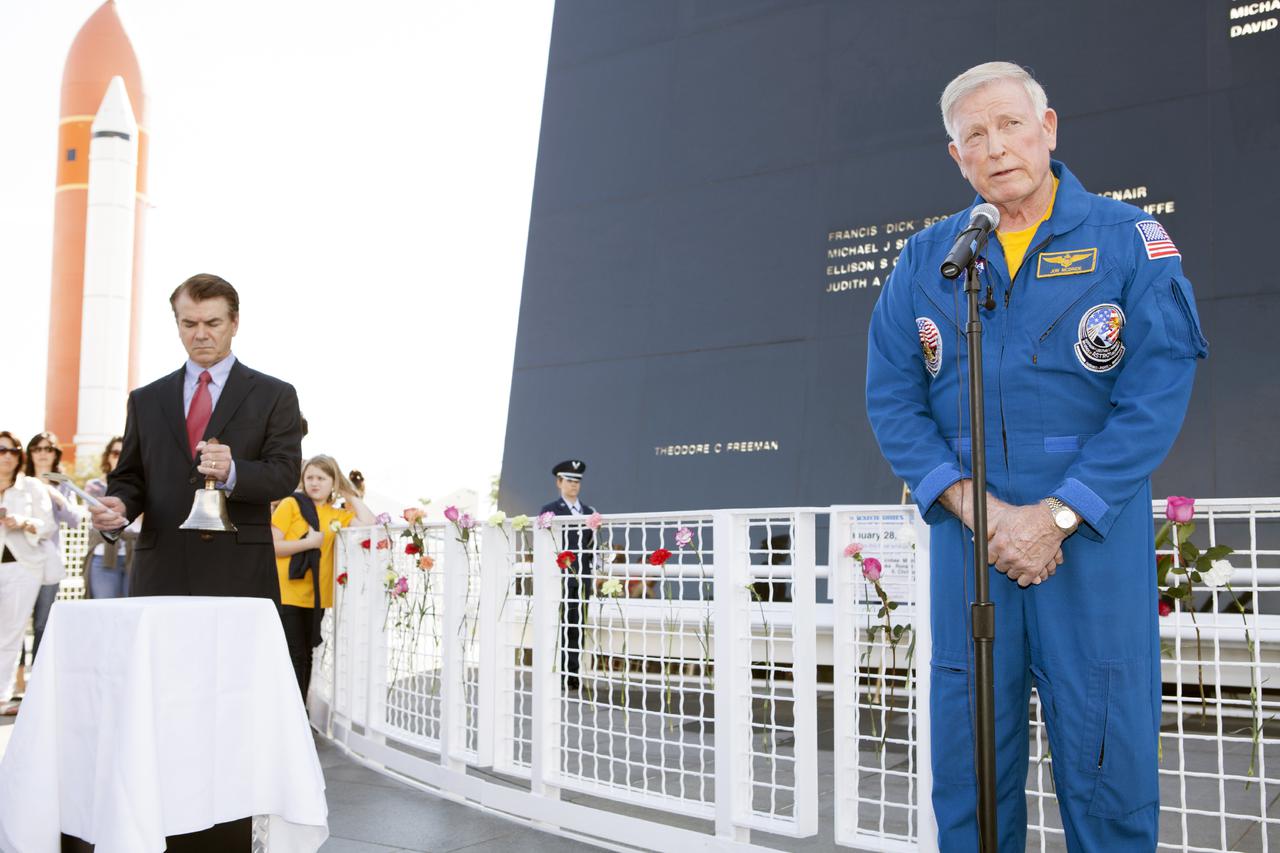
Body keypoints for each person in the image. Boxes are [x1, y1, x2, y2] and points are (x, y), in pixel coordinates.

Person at [865, 62, 1209, 851]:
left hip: (1091, 541)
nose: (995, 146)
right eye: (973, 136)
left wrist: (1056, 515)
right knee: (968, 774)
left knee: (1107, 767)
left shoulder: (1126, 242)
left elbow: (1155, 395)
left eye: (1010, 125)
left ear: (1048, 129)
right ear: (956, 157)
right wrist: (985, 515)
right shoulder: (927, 262)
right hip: (970, 547)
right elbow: (893, 402)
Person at [89, 272, 304, 602]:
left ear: (235, 323)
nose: (201, 335)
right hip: (161, 573)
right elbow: (130, 476)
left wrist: (233, 472)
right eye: (189, 324)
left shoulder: (274, 395)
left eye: (213, 323)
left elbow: (284, 474)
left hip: (240, 574)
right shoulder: (145, 399)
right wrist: (119, 505)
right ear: (177, 324)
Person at [271, 455, 375, 698]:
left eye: (321, 478)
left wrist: (348, 492)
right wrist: (307, 543)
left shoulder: (336, 515)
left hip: (316, 596)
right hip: (288, 593)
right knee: (294, 656)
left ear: (332, 482)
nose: (314, 483)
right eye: (309, 477)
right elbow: (272, 546)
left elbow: (369, 522)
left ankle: (299, 712)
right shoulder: (290, 505)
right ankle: (296, 717)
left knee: (307, 655)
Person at [0, 431, 56, 716]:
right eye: (1, 450)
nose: (7, 455)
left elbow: (47, 526)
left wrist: (21, 521)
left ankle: (2, 694)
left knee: (11, 633)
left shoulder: (32, 487)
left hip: (22, 566)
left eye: (13, 450)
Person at [22, 433, 89, 670]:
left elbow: (73, 520)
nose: (42, 453)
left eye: (48, 448)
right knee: (16, 621)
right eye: (37, 448)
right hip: (19, 558)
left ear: (55, 453)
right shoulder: (20, 481)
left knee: (42, 622)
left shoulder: (63, 484)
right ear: (30, 453)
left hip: (49, 560)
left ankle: (35, 677)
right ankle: (15, 680)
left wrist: (57, 496)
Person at [539, 459, 596, 689]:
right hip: (558, 577)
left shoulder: (589, 512)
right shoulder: (550, 511)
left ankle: (572, 674)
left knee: (577, 626)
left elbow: (593, 547)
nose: (574, 485)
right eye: (569, 480)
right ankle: (556, 672)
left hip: (582, 577)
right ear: (559, 482)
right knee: (557, 625)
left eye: (577, 481)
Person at [83, 437, 137, 599]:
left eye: (124, 453)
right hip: (103, 556)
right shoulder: (95, 486)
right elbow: (100, 515)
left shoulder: (141, 487)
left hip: (133, 555)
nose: (119, 457)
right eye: (115, 453)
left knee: (132, 611)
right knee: (104, 610)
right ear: (107, 456)